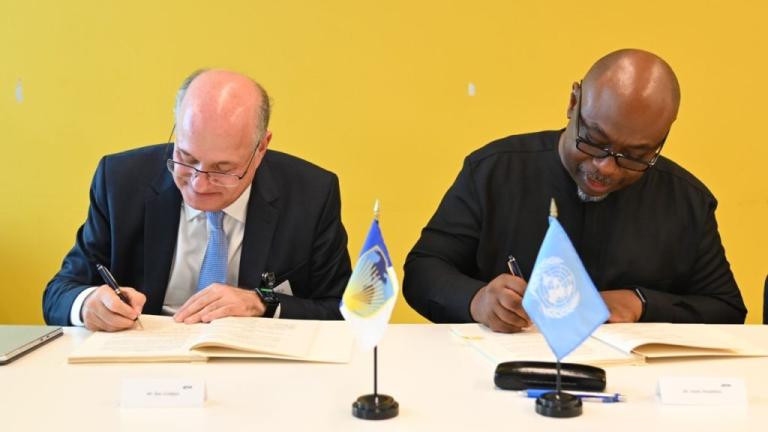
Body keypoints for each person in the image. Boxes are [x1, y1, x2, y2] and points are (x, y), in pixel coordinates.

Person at [403, 49, 746, 332]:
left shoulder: (686, 202)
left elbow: (726, 309)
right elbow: (423, 270)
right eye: (594, 141)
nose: (605, 167)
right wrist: (476, 300)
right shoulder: (494, 170)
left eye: (635, 156)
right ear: (573, 102)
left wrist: (640, 302)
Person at [44, 69, 352, 331]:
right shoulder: (121, 181)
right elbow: (59, 292)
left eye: (223, 169)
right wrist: (87, 306)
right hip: (142, 364)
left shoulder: (310, 194)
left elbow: (343, 310)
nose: (199, 184)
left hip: (258, 369)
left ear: (261, 148)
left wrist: (262, 303)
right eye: (186, 158)